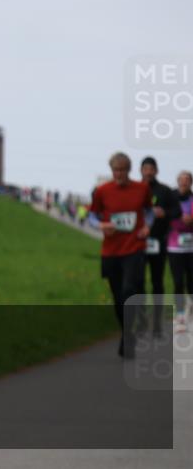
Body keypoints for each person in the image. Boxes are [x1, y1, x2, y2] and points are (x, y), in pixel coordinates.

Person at [89, 152, 151, 358]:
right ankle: (127, 331)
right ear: (111, 171)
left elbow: (149, 212)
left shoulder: (142, 189)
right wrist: (101, 224)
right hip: (111, 250)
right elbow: (92, 215)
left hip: (134, 248)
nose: (119, 174)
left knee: (128, 290)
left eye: (123, 170)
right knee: (117, 297)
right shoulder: (102, 191)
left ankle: (128, 336)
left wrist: (147, 227)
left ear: (129, 170)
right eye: (116, 170)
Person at [139, 156, 182, 336]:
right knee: (137, 283)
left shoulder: (164, 191)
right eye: (145, 169)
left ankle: (156, 324)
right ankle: (141, 321)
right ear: (141, 171)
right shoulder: (135, 189)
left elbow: (177, 210)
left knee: (157, 283)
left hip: (159, 241)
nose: (148, 172)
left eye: (151, 169)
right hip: (138, 243)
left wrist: (165, 212)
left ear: (156, 171)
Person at [167, 170, 193, 331]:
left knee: (191, 282)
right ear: (177, 182)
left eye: (187, 180)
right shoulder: (171, 199)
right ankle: (180, 314)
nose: (183, 182)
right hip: (175, 246)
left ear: (190, 183)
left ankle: (190, 309)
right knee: (178, 282)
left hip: (191, 247)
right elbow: (163, 216)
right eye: (181, 180)